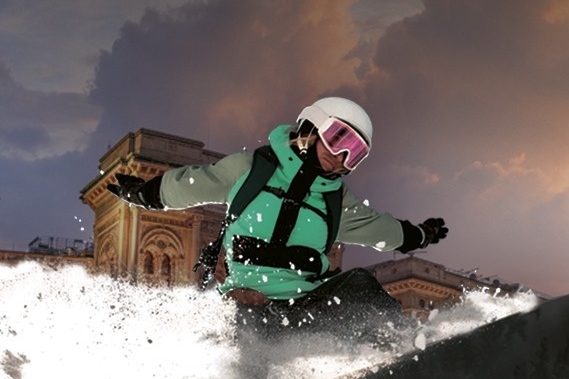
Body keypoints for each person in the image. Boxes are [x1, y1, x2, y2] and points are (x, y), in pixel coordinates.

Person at [106, 96, 447, 349]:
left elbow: (378, 229)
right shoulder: (253, 168)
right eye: (339, 139)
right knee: (239, 331)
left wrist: (418, 234)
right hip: (247, 305)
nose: (340, 156)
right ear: (312, 126)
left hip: (306, 306)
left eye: (354, 153)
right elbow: (197, 183)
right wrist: (147, 193)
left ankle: (403, 350)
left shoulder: (336, 200)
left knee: (359, 284)